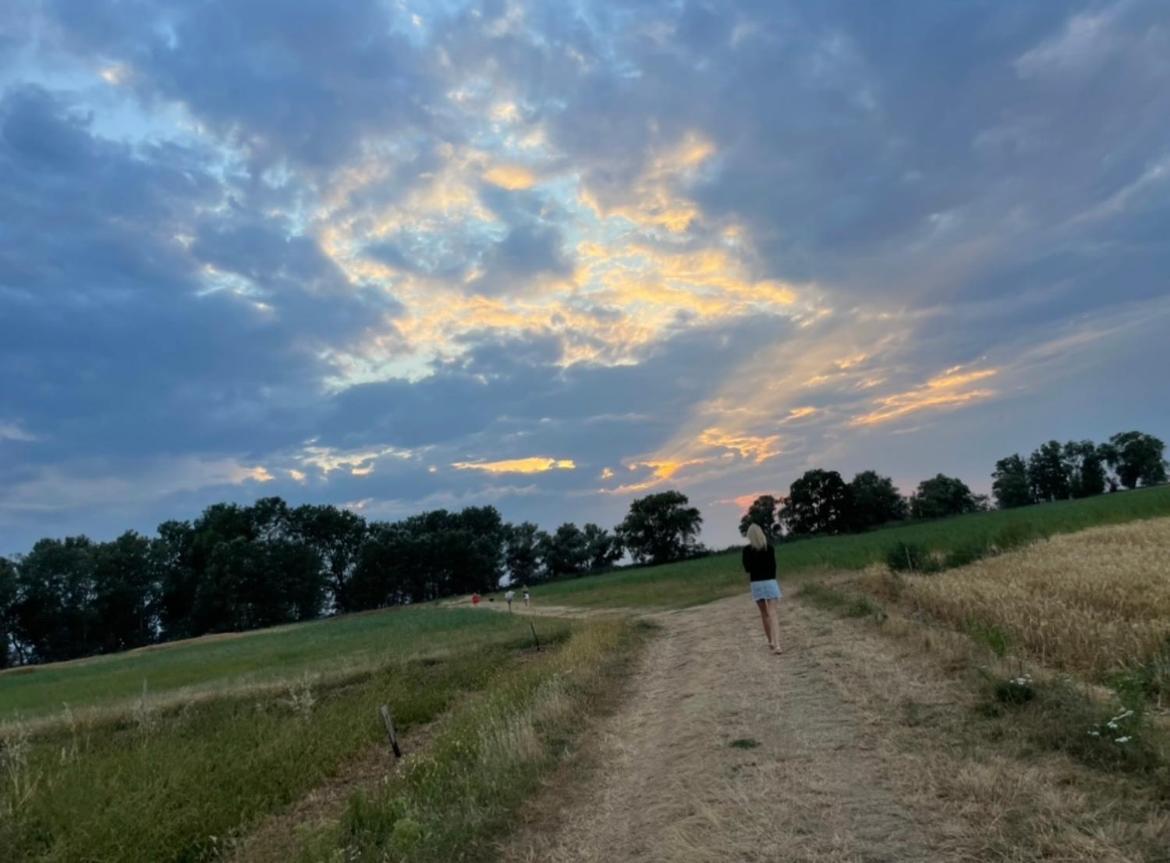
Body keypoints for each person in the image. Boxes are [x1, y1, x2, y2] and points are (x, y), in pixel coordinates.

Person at [742, 524, 781, 654]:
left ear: (749, 536)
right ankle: (777, 645)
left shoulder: (747, 550)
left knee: (764, 614)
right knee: (773, 613)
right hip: (770, 582)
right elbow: (773, 567)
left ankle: (770, 641)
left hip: (756, 584)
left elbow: (747, 569)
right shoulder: (769, 548)